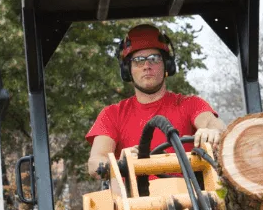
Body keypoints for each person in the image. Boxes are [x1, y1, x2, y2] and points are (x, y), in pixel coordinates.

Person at [86, 24, 225, 176]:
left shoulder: (191, 104)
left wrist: (213, 132)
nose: (146, 65)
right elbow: (95, 163)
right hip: (134, 199)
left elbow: (213, 124)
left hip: (194, 197)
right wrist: (119, 163)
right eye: (138, 60)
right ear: (127, 70)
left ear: (167, 66)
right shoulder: (112, 114)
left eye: (154, 58)